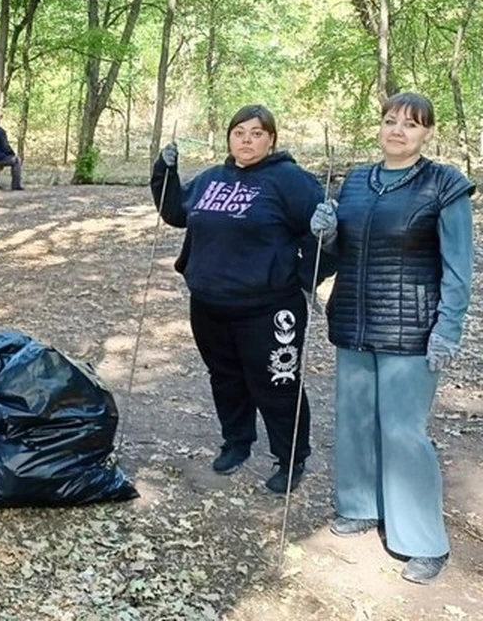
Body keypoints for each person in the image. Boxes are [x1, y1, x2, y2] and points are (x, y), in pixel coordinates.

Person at [310, 92, 474, 584]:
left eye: (411, 124)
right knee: (355, 421)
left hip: (413, 330)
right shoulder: (358, 181)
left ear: (427, 133)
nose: (397, 130)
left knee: (403, 432)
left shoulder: (444, 184)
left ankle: (423, 540)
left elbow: (459, 268)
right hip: (356, 321)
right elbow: (339, 255)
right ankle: (360, 506)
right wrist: (327, 234)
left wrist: (448, 328)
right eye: (389, 121)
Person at [151, 105, 330, 493]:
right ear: (228, 137)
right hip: (210, 303)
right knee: (226, 378)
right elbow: (176, 211)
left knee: (276, 382)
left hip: (269, 307)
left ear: (272, 140)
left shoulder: (291, 181)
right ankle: (237, 442)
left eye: (256, 133)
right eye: (239, 132)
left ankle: (291, 457)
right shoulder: (212, 178)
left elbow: (325, 235)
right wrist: (164, 171)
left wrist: (306, 275)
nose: (246, 140)